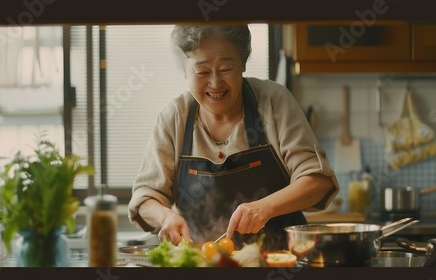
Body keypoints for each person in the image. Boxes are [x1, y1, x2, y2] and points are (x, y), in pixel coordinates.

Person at [128, 24, 340, 250]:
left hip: (280, 258)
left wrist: (266, 207)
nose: (215, 82)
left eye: (226, 68)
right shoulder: (174, 118)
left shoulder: (272, 102)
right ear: (185, 70)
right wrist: (166, 217)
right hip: (205, 262)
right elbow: (146, 197)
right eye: (202, 71)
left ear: (243, 63)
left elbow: (317, 180)